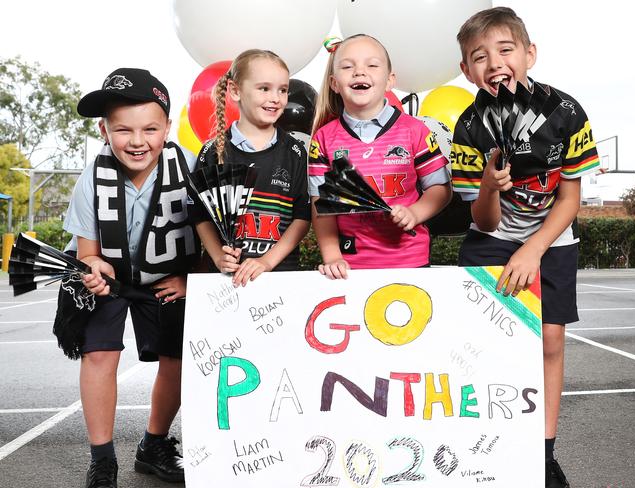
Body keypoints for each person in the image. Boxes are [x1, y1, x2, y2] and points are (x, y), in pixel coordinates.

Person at [451, 7, 601, 488]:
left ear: (529, 54)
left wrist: (534, 248)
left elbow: (570, 197)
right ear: (465, 70)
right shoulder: (468, 127)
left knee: (550, 341)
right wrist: (491, 186)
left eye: (505, 49)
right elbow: (482, 218)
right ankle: (484, 446)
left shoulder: (567, 112)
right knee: (480, 345)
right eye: (479, 56)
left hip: (550, 234)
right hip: (492, 237)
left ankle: (544, 451)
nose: (493, 61)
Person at [61, 68, 200, 487]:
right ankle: (102, 459)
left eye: (149, 129)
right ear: (105, 130)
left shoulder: (189, 168)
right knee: (98, 353)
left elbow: (208, 235)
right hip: (107, 272)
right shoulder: (92, 178)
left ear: (167, 128)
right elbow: (87, 251)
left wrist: (188, 279)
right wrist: (94, 270)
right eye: (123, 130)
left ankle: (153, 445)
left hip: (166, 273)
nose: (137, 141)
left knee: (176, 357)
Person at [308, 34, 452, 279]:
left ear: (389, 80)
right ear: (334, 83)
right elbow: (321, 206)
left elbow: (441, 189)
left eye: (372, 65)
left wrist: (415, 213)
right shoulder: (323, 139)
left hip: (410, 260)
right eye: (347, 66)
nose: (359, 72)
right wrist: (332, 256)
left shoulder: (415, 131)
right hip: (350, 266)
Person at [192, 49, 311, 284]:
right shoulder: (211, 152)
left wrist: (266, 262)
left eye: (283, 90)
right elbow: (199, 214)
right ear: (236, 91)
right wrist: (217, 256)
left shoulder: (296, 152)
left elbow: (302, 218)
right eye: (264, 88)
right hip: (223, 284)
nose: (276, 98)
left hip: (279, 278)